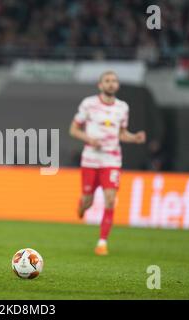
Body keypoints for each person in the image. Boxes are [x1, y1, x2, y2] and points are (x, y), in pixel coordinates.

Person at [69, 71, 146, 256]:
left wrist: (134, 137)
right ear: (100, 85)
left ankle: (102, 242)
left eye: (114, 81)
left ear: (117, 85)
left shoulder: (122, 107)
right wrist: (89, 139)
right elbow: (73, 130)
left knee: (110, 199)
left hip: (112, 159)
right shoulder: (89, 104)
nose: (111, 84)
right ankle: (82, 204)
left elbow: (121, 133)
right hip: (90, 159)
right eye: (107, 81)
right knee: (88, 201)